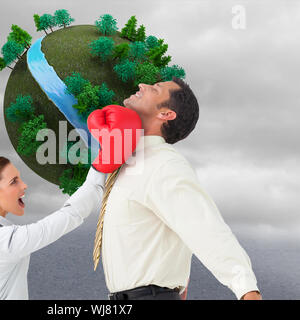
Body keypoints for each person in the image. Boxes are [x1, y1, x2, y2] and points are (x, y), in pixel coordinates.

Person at [94, 77, 262, 300]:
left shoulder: (164, 164)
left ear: (166, 114)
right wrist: (181, 282)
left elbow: (204, 227)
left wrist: (247, 291)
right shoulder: (128, 161)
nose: (142, 86)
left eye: (154, 89)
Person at [0, 156, 106, 300]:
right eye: (14, 182)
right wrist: (100, 168)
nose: (24, 186)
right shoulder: (7, 241)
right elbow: (72, 214)